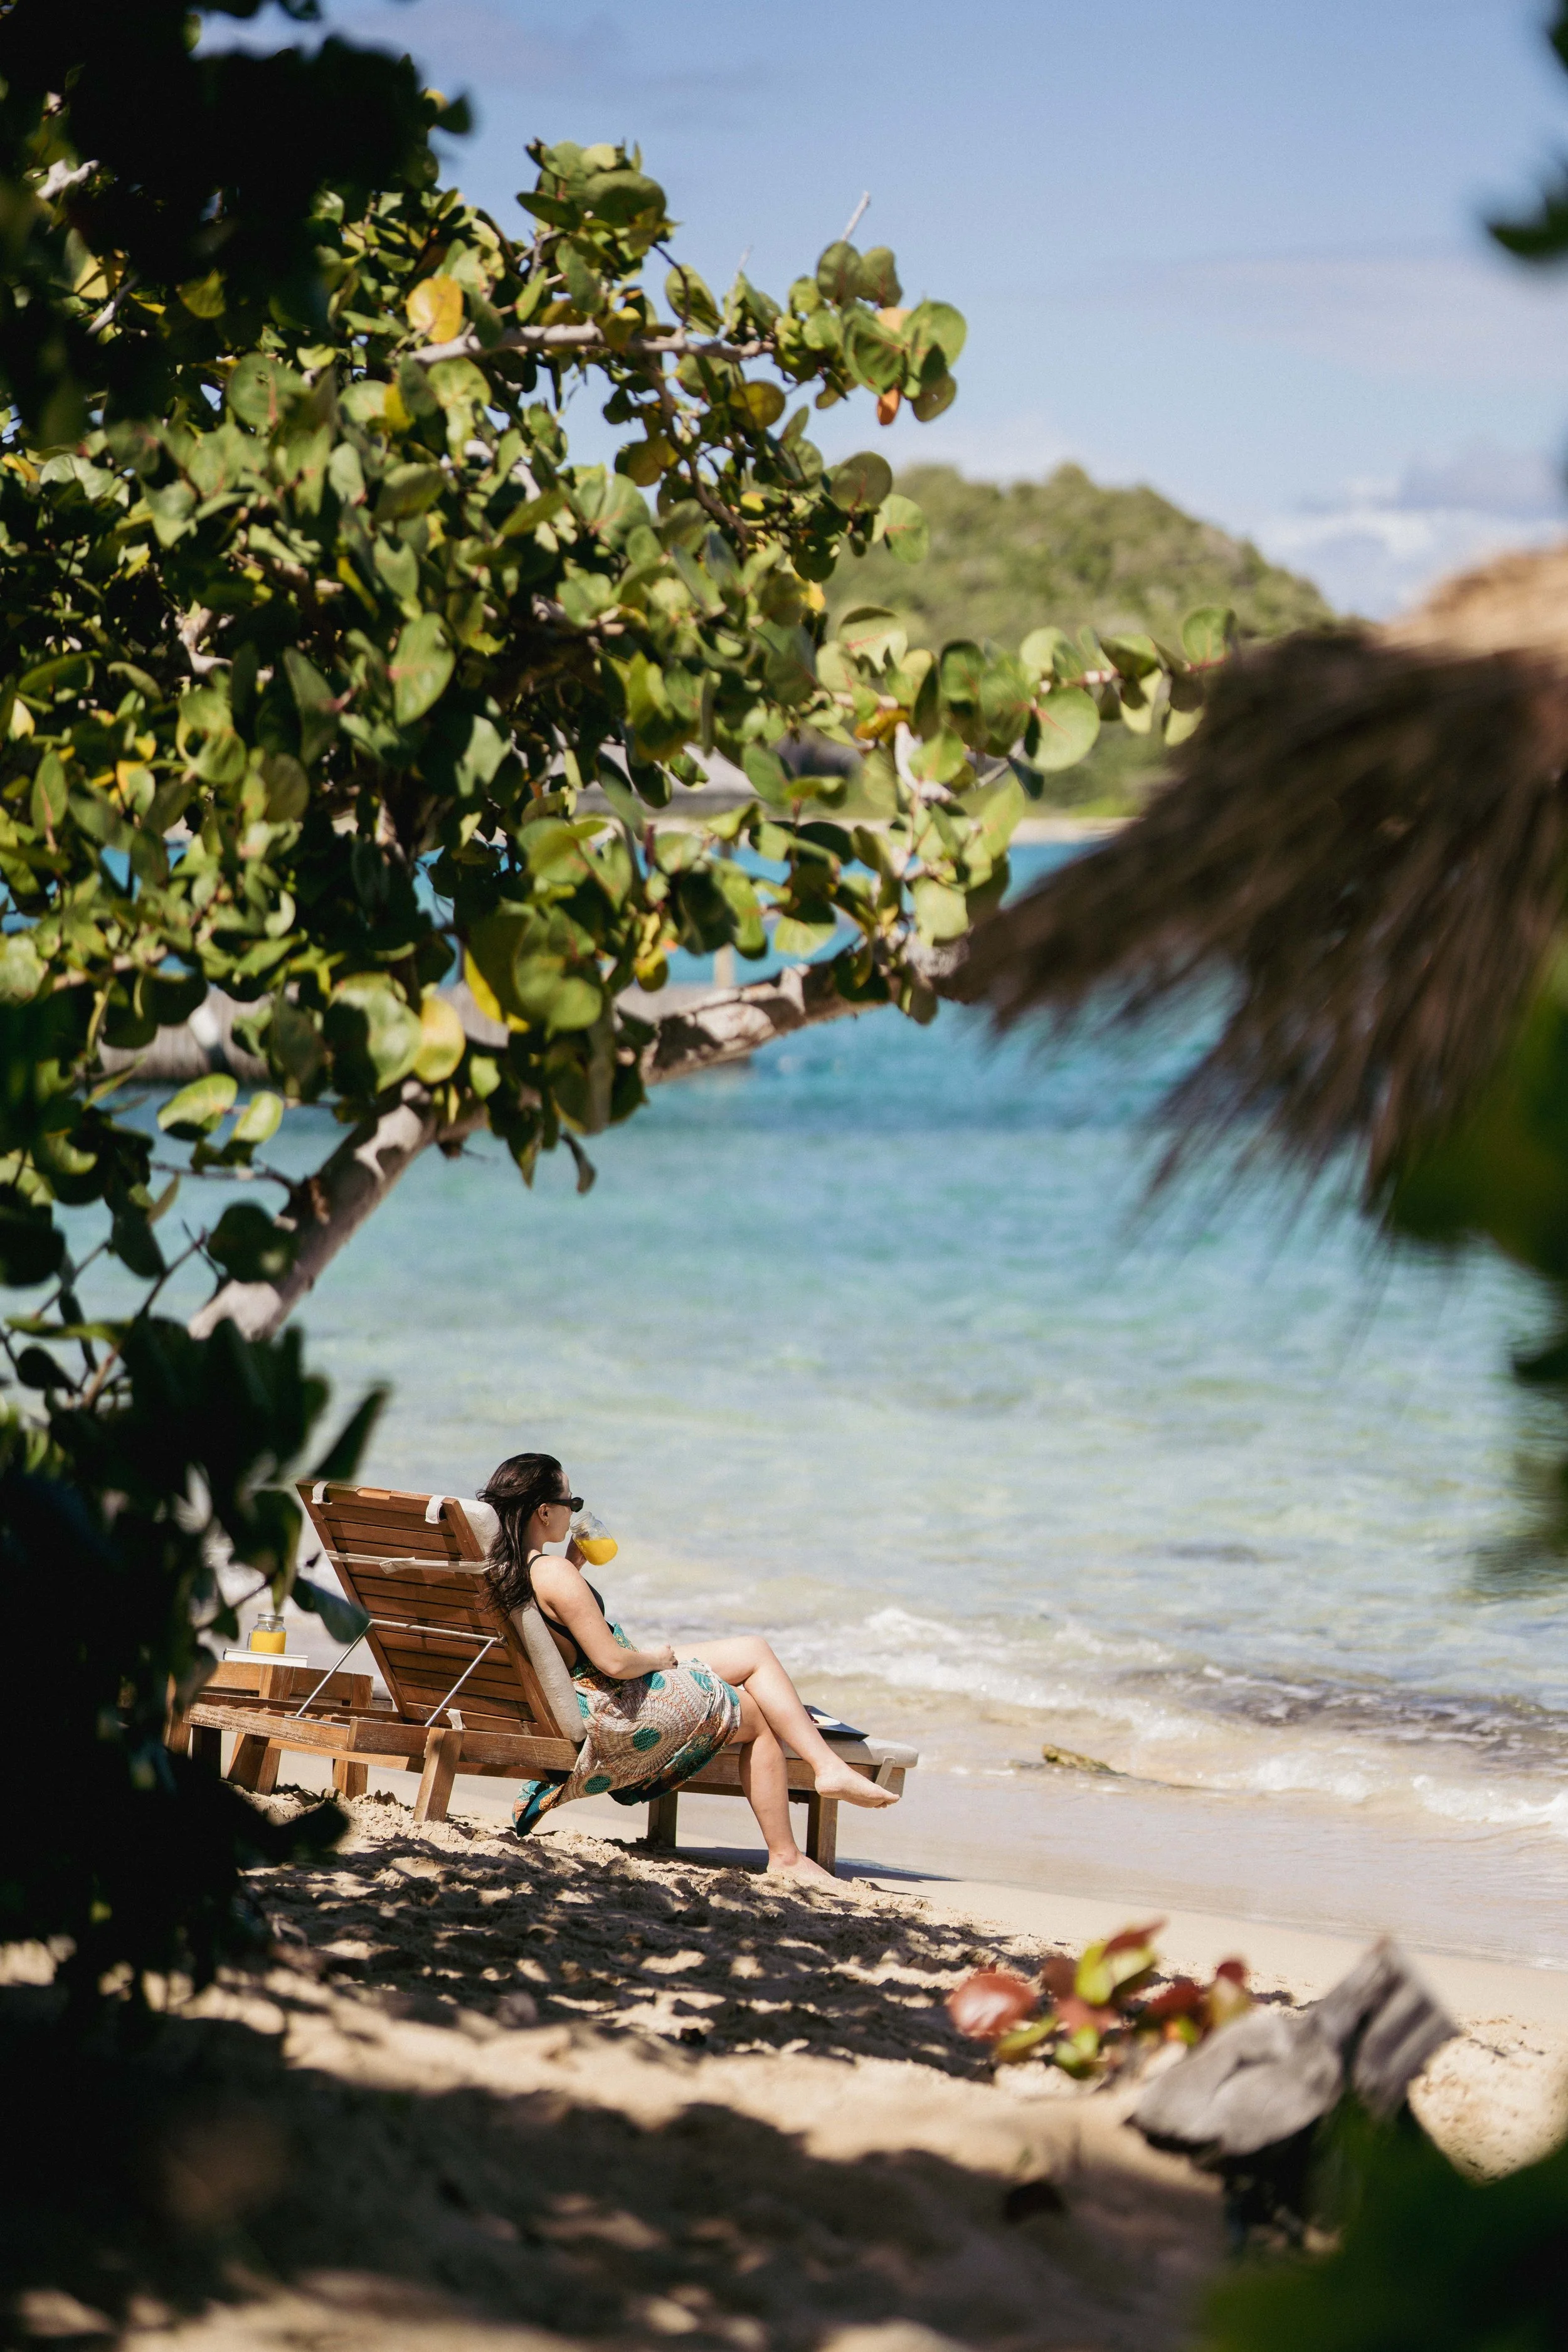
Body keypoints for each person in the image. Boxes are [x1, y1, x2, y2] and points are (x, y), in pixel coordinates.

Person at [480, 1451, 898, 1887]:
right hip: (610, 1706)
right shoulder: (552, 1575)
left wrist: (572, 1567)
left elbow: (558, 1640)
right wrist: (657, 1660)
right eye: (574, 1503)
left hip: (578, 1695)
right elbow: (614, 1662)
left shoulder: (509, 1569)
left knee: (753, 1651)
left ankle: (826, 1769)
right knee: (755, 1714)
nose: (576, 1512)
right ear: (545, 1511)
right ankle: (788, 1853)